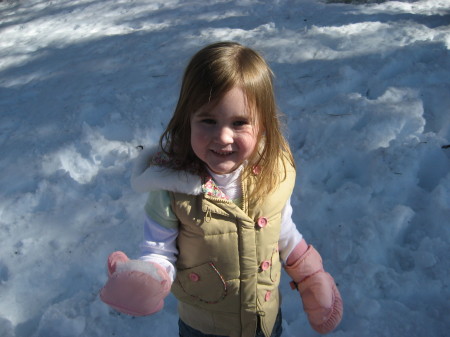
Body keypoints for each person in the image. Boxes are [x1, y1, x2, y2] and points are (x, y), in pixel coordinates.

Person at [100, 41, 343, 337]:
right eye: (208, 121)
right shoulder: (170, 188)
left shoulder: (273, 171)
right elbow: (159, 248)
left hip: (263, 322)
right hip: (204, 327)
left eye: (240, 122)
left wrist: (311, 275)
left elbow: (283, 229)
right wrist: (150, 276)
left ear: (263, 124)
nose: (223, 137)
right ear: (187, 120)